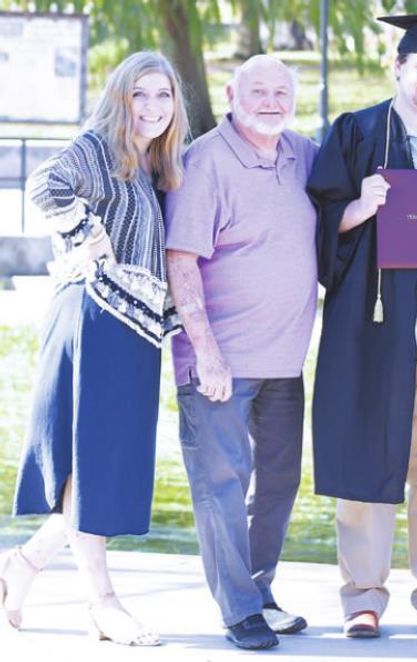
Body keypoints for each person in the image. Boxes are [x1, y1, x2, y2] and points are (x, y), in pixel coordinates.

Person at [305, 13, 417, 639]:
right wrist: (359, 208)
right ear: (399, 68)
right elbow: (317, 222)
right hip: (378, 327)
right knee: (367, 455)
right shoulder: (357, 132)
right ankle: (363, 594)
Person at [1, 51, 188, 646]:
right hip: (94, 317)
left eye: (164, 96)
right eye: (141, 95)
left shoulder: (155, 162)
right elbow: (43, 183)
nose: (153, 107)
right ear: (121, 97)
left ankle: (22, 567)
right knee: (92, 461)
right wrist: (87, 232)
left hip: (132, 328)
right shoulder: (99, 145)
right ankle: (103, 602)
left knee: (100, 466)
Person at [162, 54, 318, 650]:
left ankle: (259, 589)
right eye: (259, 90)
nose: (272, 100)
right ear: (231, 93)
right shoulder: (204, 161)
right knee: (222, 483)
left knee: (277, 482)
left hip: (285, 360)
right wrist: (206, 352)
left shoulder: (302, 154)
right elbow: (182, 259)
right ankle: (238, 610)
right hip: (218, 361)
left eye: (283, 90)